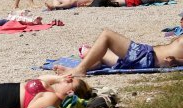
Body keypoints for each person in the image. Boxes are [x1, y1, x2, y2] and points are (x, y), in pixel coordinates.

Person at [53, 28, 183, 76]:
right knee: (97, 53)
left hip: (147, 57)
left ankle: (79, 70)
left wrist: (177, 61)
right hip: (146, 55)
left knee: (107, 35)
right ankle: (85, 67)